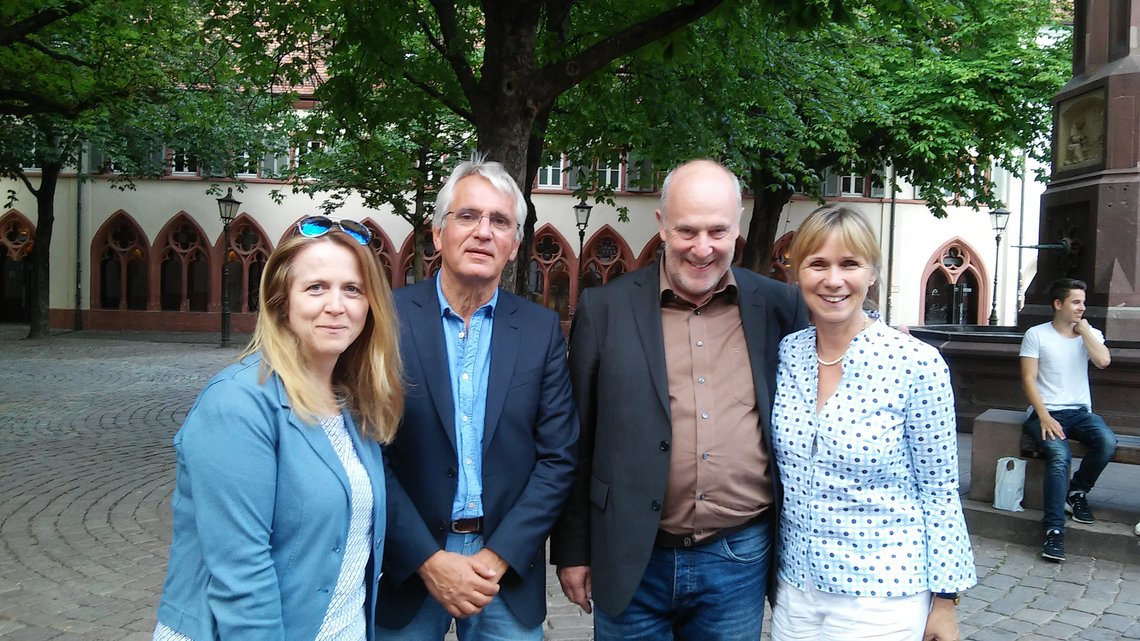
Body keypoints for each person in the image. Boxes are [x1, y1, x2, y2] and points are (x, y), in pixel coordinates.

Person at [551, 159, 808, 640]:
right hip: (629, 553)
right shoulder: (604, 309)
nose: (702, 248)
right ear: (662, 225)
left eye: (718, 231)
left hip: (738, 557)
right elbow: (576, 439)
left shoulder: (779, 306)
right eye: (687, 230)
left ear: (738, 226)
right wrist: (573, 549)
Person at [153, 215, 404, 640]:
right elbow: (242, 574)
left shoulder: (352, 403)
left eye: (352, 289)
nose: (336, 305)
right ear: (280, 301)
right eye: (316, 287)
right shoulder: (237, 405)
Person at [377, 157, 578, 640]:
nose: (483, 232)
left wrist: (497, 557)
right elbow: (368, 449)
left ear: (514, 246)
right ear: (437, 233)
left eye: (500, 222)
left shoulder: (540, 330)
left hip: (504, 570)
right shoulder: (386, 320)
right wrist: (428, 559)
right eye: (467, 216)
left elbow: (559, 457)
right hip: (409, 565)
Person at [769, 205, 975, 641]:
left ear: (873, 272)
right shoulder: (788, 354)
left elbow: (940, 490)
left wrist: (945, 602)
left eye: (849, 264)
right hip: (797, 589)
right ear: (798, 273)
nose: (833, 280)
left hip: (881, 591)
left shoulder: (916, 363)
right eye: (817, 264)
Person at [1020, 277, 1115, 562]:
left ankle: (1077, 491)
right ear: (1058, 304)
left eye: (1083, 302)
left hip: (1079, 412)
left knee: (1107, 442)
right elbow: (1028, 378)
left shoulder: (1089, 334)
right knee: (1060, 456)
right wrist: (1044, 415)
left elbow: (1103, 361)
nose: (1081, 307)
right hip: (1044, 412)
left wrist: (1084, 331)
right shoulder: (1036, 334)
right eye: (1075, 302)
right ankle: (1054, 531)